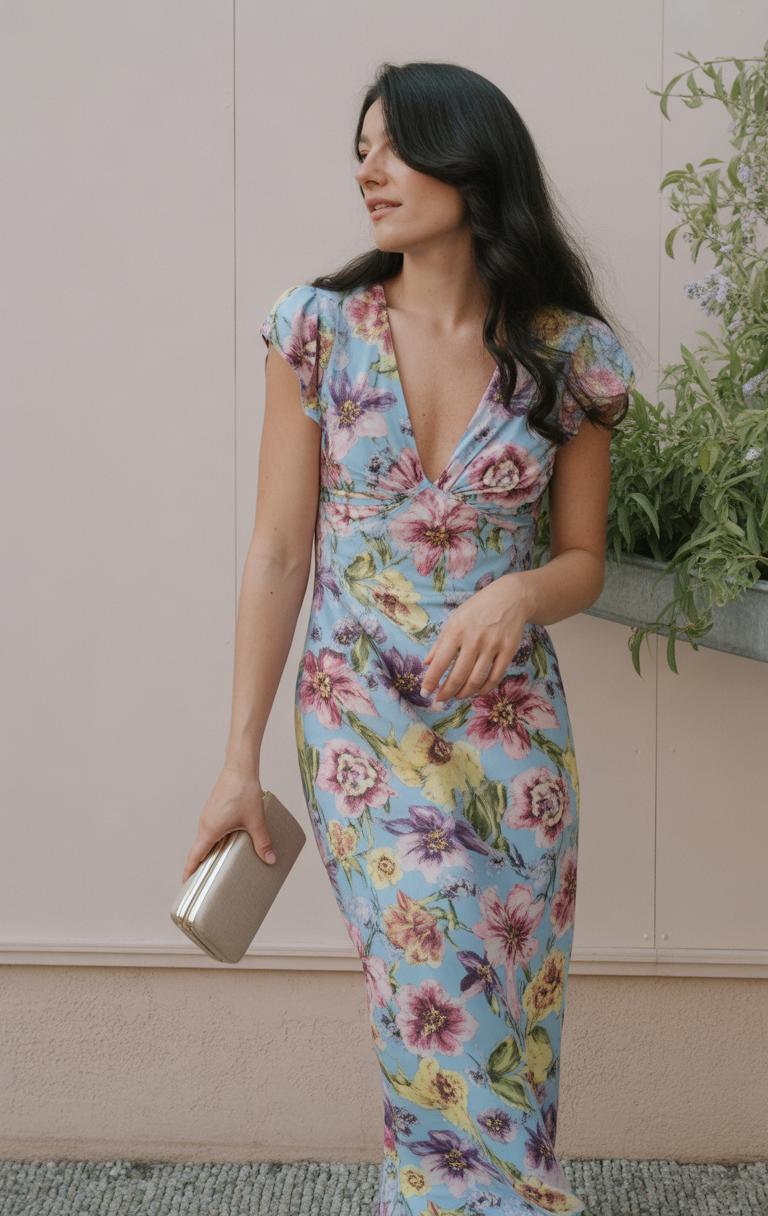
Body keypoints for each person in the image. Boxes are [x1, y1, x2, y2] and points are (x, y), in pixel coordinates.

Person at [183, 61, 634, 1216]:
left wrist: (520, 594)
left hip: (512, 736)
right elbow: (280, 553)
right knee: (424, 1003)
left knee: (512, 1023)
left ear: (470, 162)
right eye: (361, 147)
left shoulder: (569, 356)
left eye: (393, 147)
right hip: (361, 728)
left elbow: (584, 559)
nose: (366, 170)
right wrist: (238, 760)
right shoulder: (318, 332)